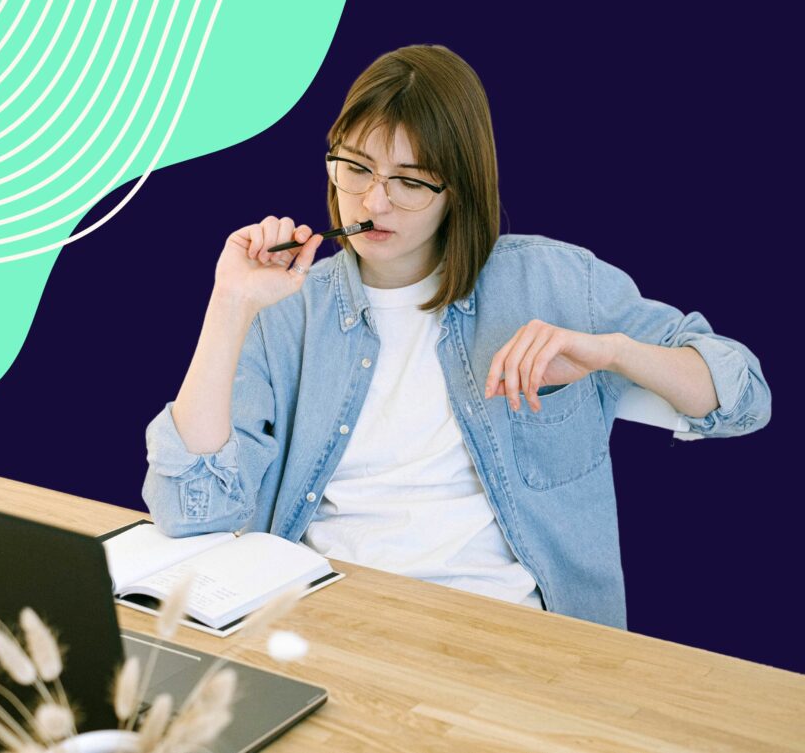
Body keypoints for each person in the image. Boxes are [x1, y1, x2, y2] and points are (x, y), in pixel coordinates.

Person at [141, 45, 770, 629]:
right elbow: (191, 508)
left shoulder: (555, 280)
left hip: (507, 633)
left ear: (459, 188)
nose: (373, 203)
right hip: (327, 620)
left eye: (411, 181)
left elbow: (743, 399)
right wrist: (230, 305)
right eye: (355, 169)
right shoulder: (285, 305)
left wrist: (614, 352)